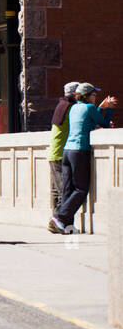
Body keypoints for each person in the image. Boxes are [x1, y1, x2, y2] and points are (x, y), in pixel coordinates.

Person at [50, 82, 117, 234]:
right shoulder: (89, 107)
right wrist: (110, 109)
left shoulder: (74, 108)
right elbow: (104, 124)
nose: (96, 96)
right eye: (94, 94)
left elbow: (90, 118)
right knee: (81, 189)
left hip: (67, 151)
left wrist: (101, 108)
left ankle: (65, 226)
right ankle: (59, 218)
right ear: (87, 96)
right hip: (79, 151)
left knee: (68, 189)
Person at [47, 81, 78, 212]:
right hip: (61, 154)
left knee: (56, 190)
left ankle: (54, 220)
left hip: (54, 153)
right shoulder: (71, 108)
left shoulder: (61, 105)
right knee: (63, 191)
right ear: (75, 94)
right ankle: (60, 221)